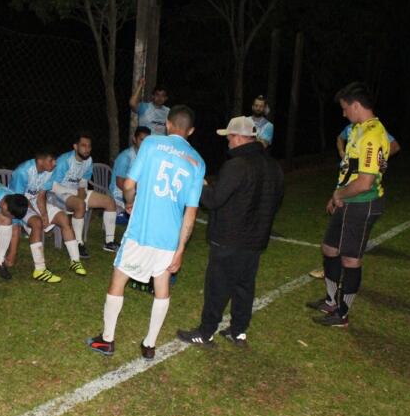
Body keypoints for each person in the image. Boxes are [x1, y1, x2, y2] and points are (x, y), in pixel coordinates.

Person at [87, 105, 205, 360]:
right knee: (162, 287)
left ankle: (107, 339)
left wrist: (130, 200)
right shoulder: (198, 162)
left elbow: (129, 184)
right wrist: (181, 249)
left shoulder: (151, 144)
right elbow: (191, 212)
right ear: (191, 131)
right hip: (169, 238)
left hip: (141, 231)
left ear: (168, 125)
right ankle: (149, 344)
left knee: (117, 282)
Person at [177, 116, 284, 347]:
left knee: (218, 287)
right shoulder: (273, 165)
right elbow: (276, 202)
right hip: (255, 241)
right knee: (244, 286)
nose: (227, 142)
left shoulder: (237, 165)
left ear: (237, 137)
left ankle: (205, 333)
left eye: (229, 137)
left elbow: (214, 200)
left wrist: (199, 183)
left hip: (229, 240)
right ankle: (239, 331)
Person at [305, 82, 390, 328]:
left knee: (351, 260)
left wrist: (339, 194)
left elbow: (365, 182)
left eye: (345, 108)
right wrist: (338, 195)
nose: (343, 113)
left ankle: (341, 314)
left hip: (362, 203)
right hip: (348, 200)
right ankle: (332, 300)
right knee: (330, 248)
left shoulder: (373, 134)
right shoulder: (358, 129)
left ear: (356, 105)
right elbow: (351, 170)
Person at [308, 123, 400, 280]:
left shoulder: (375, 129)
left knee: (345, 241)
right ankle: (332, 270)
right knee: (334, 239)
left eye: (346, 108)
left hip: (358, 193)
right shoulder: (351, 128)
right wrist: (342, 152)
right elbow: (339, 138)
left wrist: (379, 160)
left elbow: (395, 146)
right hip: (346, 187)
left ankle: (338, 274)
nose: (344, 114)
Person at [9, 148, 87, 283]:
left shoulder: (49, 171)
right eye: (51, 160)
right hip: (18, 205)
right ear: (40, 161)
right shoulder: (22, 172)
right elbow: (19, 198)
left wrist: (44, 214)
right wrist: (37, 214)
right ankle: (39, 269)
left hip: (36, 202)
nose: (55, 163)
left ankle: (75, 261)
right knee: (37, 223)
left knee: (63, 218)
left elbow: (41, 195)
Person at [51, 132, 119, 259]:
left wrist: (82, 189)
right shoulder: (64, 161)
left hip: (76, 191)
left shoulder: (89, 160)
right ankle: (78, 243)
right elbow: (53, 186)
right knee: (80, 205)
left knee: (110, 202)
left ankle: (109, 242)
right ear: (75, 147)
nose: (87, 149)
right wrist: (77, 193)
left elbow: (83, 179)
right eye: (83, 145)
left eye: (89, 146)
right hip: (60, 194)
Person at [110, 126, 151, 212]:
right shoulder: (126, 157)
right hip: (119, 193)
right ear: (134, 139)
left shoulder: (145, 156)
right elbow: (119, 183)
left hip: (132, 191)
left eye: (147, 141)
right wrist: (136, 194)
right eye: (141, 139)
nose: (144, 143)